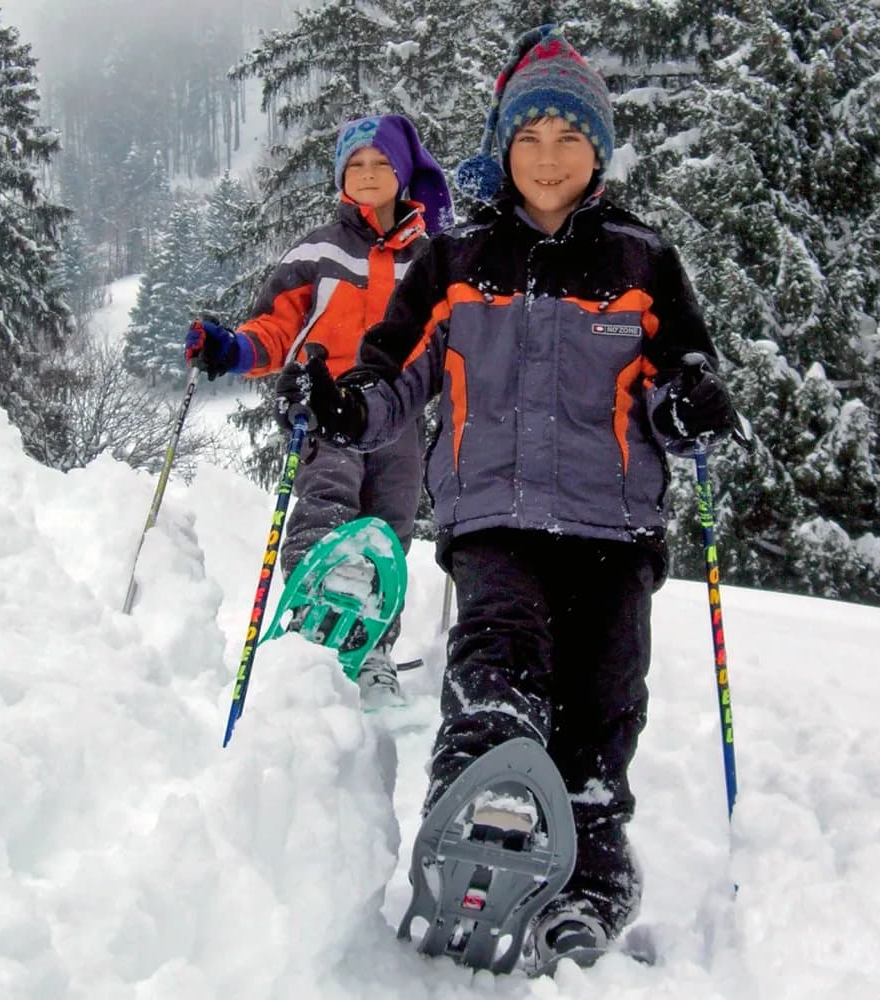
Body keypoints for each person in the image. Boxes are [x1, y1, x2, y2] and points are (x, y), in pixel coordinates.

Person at [275, 25, 736, 971]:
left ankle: (592, 881)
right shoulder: (458, 260)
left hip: (613, 525)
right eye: (530, 139)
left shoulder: (643, 261)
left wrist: (691, 403)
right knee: (497, 652)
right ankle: (472, 813)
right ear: (504, 148)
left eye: (569, 138)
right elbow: (391, 379)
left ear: (598, 150)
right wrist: (337, 404)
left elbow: (680, 374)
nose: (549, 159)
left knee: (604, 704)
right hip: (493, 515)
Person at [184, 114, 454, 709]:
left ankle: (373, 649)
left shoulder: (430, 258)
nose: (367, 175)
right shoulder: (316, 249)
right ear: (340, 177)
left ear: (404, 175)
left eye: (380, 164)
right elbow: (276, 327)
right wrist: (232, 349)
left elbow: (449, 335)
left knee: (390, 527)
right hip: (321, 404)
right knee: (327, 502)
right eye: (355, 165)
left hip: (398, 412)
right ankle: (313, 627)